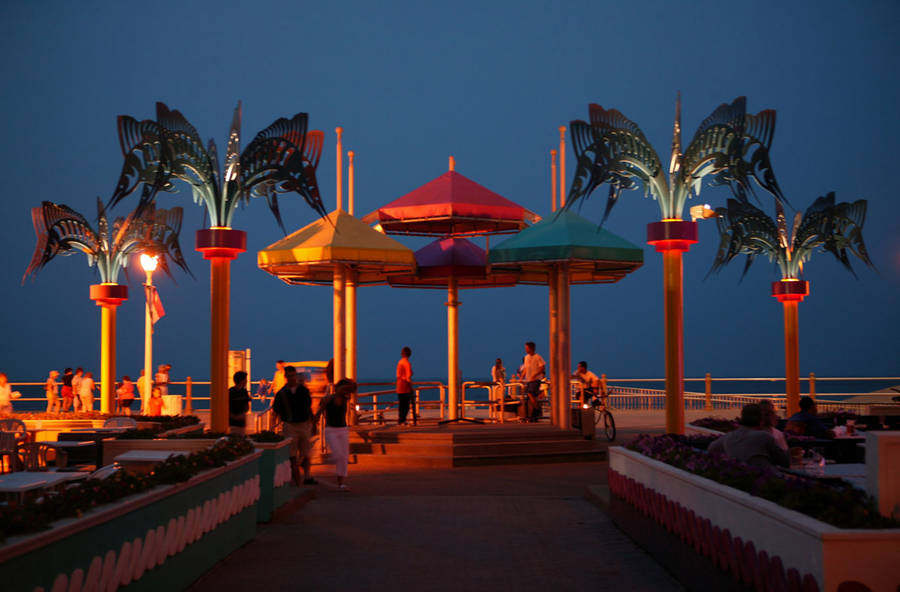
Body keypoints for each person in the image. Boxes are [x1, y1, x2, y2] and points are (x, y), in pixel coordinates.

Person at [272, 365, 317, 486]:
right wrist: (272, 426)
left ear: (296, 376)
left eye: (293, 375)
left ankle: (307, 476)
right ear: (286, 377)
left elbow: (309, 407)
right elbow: (275, 410)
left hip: (303, 424)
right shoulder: (281, 393)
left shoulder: (303, 390)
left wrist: (313, 423)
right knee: (291, 455)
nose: (292, 378)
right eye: (290, 376)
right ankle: (297, 479)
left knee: (306, 453)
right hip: (289, 425)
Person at [708, 403, 789, 468]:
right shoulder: (764, 436)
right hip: (763, 479)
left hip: (740, 476)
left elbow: (711, 448)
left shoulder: (729, 436)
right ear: (761, 420)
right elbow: (785, 462)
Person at [315, 378, 354, 490]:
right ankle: (332, 461)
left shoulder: (346, 398)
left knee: (343, 457)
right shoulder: (328, 399)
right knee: (338, 455)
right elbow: (319, 412)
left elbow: (354, 388)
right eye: (343, 389)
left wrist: (347, 382)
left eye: (346, 389)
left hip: (343, 429)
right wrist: (314, 424)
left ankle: (341, 483)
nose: (345, 391)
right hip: (331, 430)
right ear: (336, 388)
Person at [521, 342, 546, 422]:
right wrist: (522, 377)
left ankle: (536, 409)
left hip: (535, 380)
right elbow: (525, 368)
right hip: (528, 380)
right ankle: (533, 414)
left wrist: (535, 374)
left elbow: (542, 368)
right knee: (529, 397)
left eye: (527, 348)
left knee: (530, 393)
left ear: (531, 348)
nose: (525, 349)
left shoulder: (537, 357)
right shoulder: (526, 357)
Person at [228, 371, 251, 435]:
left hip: (242, 423)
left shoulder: (244, 391)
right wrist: (235, 416)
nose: (246, 381)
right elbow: (225, 407)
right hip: (232, 423)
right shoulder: (231, 391)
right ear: (241, 380)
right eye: (245, 379)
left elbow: (247, 405)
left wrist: (244, 413)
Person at [396, 346, 413, 425]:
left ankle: (401, 420)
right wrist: (411, 387)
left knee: (401, 404)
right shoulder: (407, 363)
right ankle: (403, 420)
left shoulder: (400, 362)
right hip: (405, 386)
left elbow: (398, 374)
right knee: (406, 405)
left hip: (399, 385)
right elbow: (408, 377)